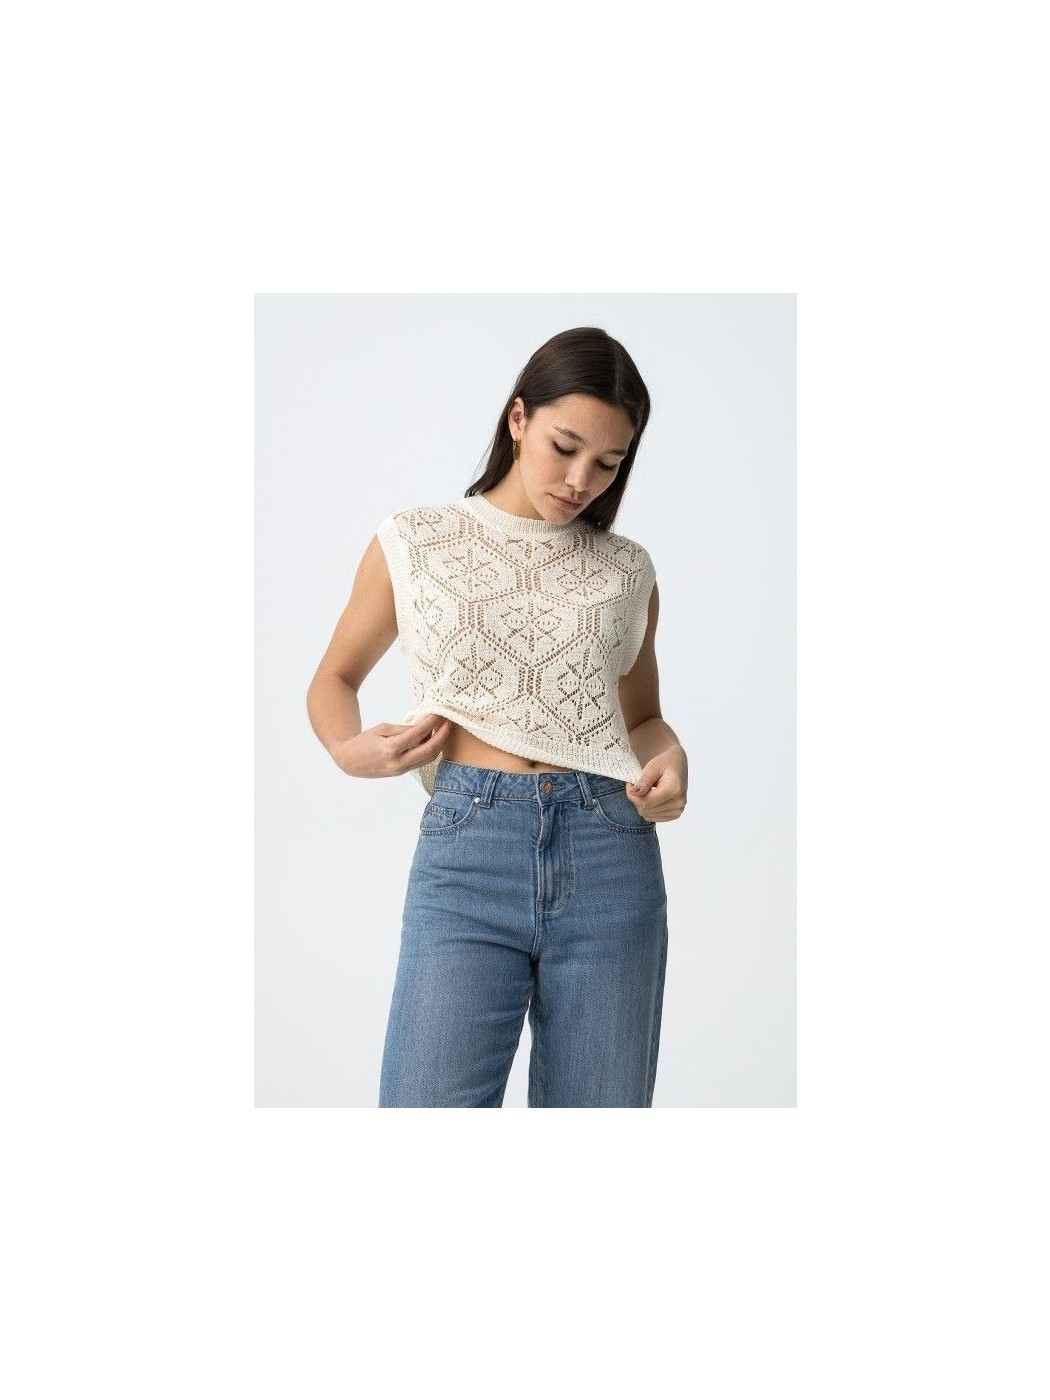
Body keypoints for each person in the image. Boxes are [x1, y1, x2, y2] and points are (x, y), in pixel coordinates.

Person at [306, 326, 688, 1107]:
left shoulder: (627, 570)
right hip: (467, 849)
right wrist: (349, 749)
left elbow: (643, 720)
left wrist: (671, 760)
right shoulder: (417, 540)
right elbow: (333, 680)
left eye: (608, 463)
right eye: (565, 446)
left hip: (609, 850)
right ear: (518, 419)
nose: (580, 480)